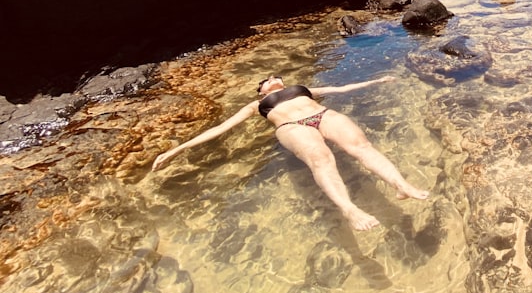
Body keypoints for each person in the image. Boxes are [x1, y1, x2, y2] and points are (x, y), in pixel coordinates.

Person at [151, 74, 429, 230]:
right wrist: (178, 150)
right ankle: (349, 209)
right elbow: (222, 128)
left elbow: (342, 87)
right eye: (266, 79)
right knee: (321, 160)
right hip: (291, 126)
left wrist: (375, 82)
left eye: (276, 77)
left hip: (322, 114)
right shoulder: (256, 105)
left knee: (361, 146)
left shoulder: (302, 89)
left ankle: (401, 185)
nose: (273, 79)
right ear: (261, 91)